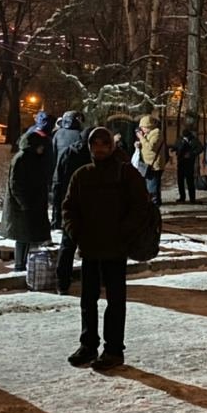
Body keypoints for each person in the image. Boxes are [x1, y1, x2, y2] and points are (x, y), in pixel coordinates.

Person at [62, 126, 150, 371]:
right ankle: (88, 345)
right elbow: (69, 208)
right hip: (90, 247)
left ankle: (113, 349)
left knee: (115, 301)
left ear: (111, 146)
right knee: (87, 300)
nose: (99, 149)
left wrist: (123, 233)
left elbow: (140, 207)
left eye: (104, 144)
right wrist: (77, 233)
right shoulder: (82, 175)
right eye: (95, 144)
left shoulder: (126, 173)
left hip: (115, 249)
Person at [2, 123, 55, 273]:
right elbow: (15, 184)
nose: (42, 149)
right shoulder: (22, 158)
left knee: (29, 235)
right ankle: (19, 265)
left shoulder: (33, 158)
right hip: (23, 206)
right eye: (40, 146)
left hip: (31, 203)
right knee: (23, 236)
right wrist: (24, 203)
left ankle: (25, 265)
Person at [53, 130, 92, 294]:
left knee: (67, 246)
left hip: (70, 205)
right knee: (90, 247)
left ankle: (62, 283)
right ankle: (91, 283)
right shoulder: (95, 156)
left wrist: (57, 211)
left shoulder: (68, 152)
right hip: (89, 207)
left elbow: (57, 181)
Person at [136, 115, 168, 205]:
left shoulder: (156, 133)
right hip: (148, 164)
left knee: (152, 187)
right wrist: (139, 144)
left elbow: (151, 147)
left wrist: (141, 138)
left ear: (148, 126)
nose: (141, 129)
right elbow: (145, 146)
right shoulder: (148, 134)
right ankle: (156, 203)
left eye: (142, 127)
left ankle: (154, 205)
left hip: (154, 165)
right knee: (152, 186)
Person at [174, 124, 203, 204]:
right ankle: (182, 197)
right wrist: (175, 151)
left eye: (186, 137)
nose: (185, 138)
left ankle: (192, 198)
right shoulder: (179, 140)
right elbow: (175, 147)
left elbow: (200, 148)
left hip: (189, 163)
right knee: (180, 181)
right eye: (184, 137)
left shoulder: (194, 140)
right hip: (181, 163)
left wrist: (192, 153)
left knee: (190, 182)